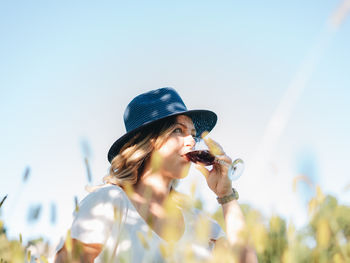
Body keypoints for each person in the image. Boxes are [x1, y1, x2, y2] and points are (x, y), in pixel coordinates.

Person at [54, 87, 256, 263]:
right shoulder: (110, 203)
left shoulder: (200, 226)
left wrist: (226, 195)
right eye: (178, 130)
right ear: (149, 141)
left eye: (193, 134)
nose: (192, 142)